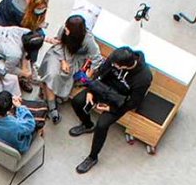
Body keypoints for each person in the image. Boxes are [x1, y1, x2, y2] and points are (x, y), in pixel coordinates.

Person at [70, 46, 152, 175]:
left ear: (124, 66)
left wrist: (111, 108)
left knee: (102, 125)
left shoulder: (144, 77)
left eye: (115, 65)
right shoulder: (116, 57)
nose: (112, 64)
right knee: (77, 101)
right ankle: (87, 125)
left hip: (120, 100)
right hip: (103, 87)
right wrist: (91, 90)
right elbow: (100, 72)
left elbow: (133, 102)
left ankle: (92, 157)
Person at [37, 15, 102, 123]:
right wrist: (63, 60)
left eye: (68, 29)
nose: (65, 29)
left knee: (64, 75)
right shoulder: (64, 29)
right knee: (52, 73)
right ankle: (52, 106)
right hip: (59, 53)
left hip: (75, 58)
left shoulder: (88, 39)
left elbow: (97, 58)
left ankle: (50, 93)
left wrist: (89, 74)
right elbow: (59, 43)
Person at [0, 25, 44, 98]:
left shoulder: (26, 32)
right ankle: (15, 97)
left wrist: (27, 66)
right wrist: (24, 73)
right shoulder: (15, 54)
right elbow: (9, 69)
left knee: (23, 61)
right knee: (11, 78)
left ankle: (31, 78)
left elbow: (25, 55)